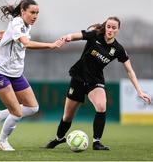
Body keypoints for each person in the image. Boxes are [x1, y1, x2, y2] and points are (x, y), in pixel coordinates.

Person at [45, 16, 152, 150]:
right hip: (78, 77)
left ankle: (97, 142)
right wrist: (67, 37)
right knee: (67, 116)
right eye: (108, 26)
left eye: (114, 28)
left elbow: (130, 71)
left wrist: (139, 91)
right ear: (105, 27)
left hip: (95, 80)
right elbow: (77, 36)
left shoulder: (118, 49)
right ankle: (59, 138)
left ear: (118, 30)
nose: (110, 30)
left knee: (101, 106)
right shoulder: (95, 35)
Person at [0, 0, 65, 151]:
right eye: (32, 12)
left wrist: (7, 33)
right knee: (16, 112)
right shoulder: (17, 22)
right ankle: (2, 141)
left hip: (16, 74)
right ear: (23, 11)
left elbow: (18, 35)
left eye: (37, 13)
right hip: (0, 74)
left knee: (32, 108)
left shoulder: (25, 25)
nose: (35, 16)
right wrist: (51, 45)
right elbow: (27, 43)